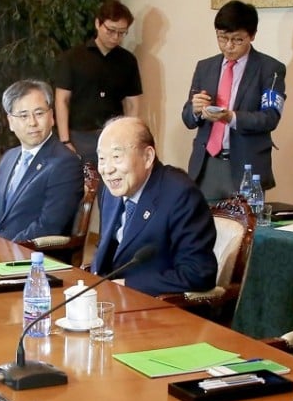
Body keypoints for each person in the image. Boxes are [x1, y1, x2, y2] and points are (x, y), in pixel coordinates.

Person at [91, 117, 217, 295]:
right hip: (111, 301)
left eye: (117, 157)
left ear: (148, 157)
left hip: (158, 309)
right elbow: (106, 250)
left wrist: (127, 284)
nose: (107, 169)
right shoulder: (112, 191)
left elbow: (198, 274)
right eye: (102, 159)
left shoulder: (180, 194)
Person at [181, 0, 286, 200]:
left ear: (252, 35)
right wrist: (195, 109)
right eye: (222, 38)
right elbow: (187, 117)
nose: (228, 46)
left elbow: (270, 117)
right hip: (207, 164)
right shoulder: (205, 67)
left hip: (246, 167)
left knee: (245, 229)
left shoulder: (270, 69)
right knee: (201, 227)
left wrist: (231, 117)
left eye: (237, 40)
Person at [0, 80, 83, 242]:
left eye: (39, 113)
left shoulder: (65, 163)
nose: (32, 122)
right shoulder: (9, 157)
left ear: (52, 117)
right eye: (23, 115)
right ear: (11, 122)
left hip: (30, 258)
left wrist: (2, 249)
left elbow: (48, 225)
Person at [54, 0, 142, 165]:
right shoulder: (72, 58)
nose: (116, 37)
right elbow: (62, 100)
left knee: (112, 186)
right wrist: (65, 140)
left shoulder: (128, 61)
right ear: (97, 23)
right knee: (81, 187)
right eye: (111, 30)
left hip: (115, 135)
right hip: (79, 135)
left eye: (122, 33)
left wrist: (131, 137)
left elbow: (133, 104)